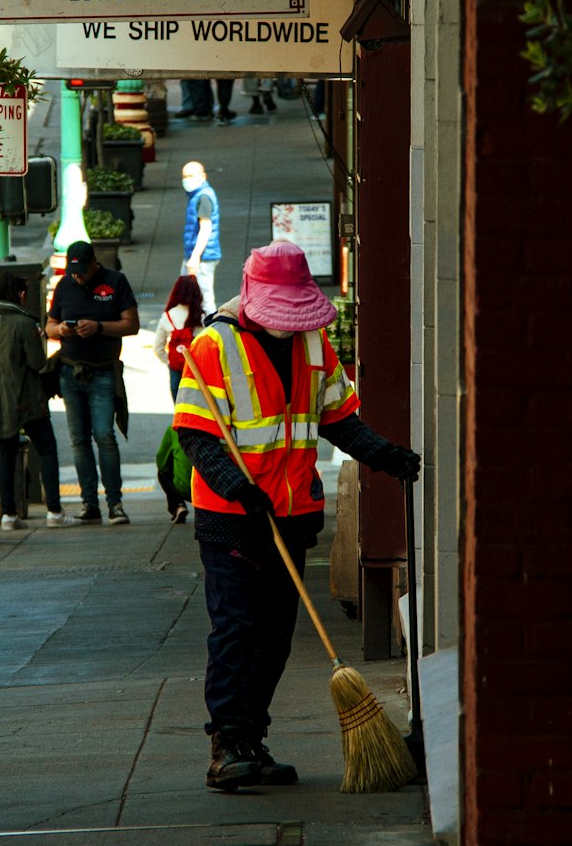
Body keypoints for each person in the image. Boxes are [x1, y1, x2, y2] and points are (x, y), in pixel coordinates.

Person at [173, 240, 420, 792]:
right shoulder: (216, 346)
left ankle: (252, 737)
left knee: (275, 636)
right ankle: (226, 744)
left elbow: (338, 420)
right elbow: (196, 433)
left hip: (290, 515)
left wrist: (384, 455)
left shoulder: (314, 344)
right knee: (236, 628)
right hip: (232, 518)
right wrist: (239, 487)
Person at [45, 240, 139, 525]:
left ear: (94, 263)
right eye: (74, 272)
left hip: (102, 372)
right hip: (70, 371)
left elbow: (131, 325)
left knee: (104, 436)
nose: (78, 277)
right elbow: (48, 325)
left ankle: (115, 502)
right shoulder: (64, 286)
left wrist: (99, 327)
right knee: (78, 439)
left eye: (82, 272)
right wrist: (60, 329)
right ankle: (90, 502)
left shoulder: (116, 282)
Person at [0, 271, 75, 531]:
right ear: (19, 294)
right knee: (46, 448)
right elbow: (38, 362)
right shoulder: (23, 323)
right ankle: (54, 510)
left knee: (5, 454)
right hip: (26, 398)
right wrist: (39, 336)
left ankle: (7, 514)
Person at [153, 274, 205, 401]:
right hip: (197, 370)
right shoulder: (200, 317)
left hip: (176, 369)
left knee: (179, 408)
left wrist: (169, 362)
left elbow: (158, 348)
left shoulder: (168, 316)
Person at [181, 159, 221, 318]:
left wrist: (195, 257)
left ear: (203, 176)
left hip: (202, 257)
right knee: (192, 296)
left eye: (191, 175)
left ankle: (214, 332)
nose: (187, 179)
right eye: (185, 176)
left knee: (205, 299)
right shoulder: (199, 195)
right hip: (199, 255)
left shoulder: (203, 197)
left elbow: (206, 228)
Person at [155, 423, 191, 525]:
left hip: (185, 488)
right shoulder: (212, 426)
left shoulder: (173, 429)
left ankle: (178, 506)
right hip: (211, 488)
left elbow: (161, 463)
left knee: (162, 472)